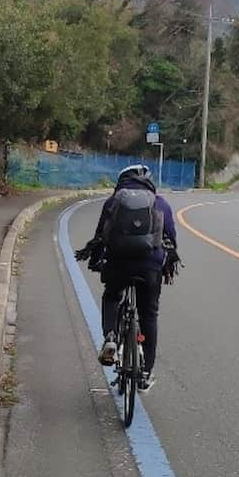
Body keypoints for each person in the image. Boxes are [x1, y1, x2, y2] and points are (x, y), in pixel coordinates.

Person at [73, 164, 180, 390]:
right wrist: (164, 265)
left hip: (118, 264)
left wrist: (96, 262)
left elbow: (100, 237)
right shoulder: (161, 204)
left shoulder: (113, 202)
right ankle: (145, 373)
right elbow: (170, 241)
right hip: (149, 268)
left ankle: (111, 337)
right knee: (149, 315)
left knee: (112, 295)